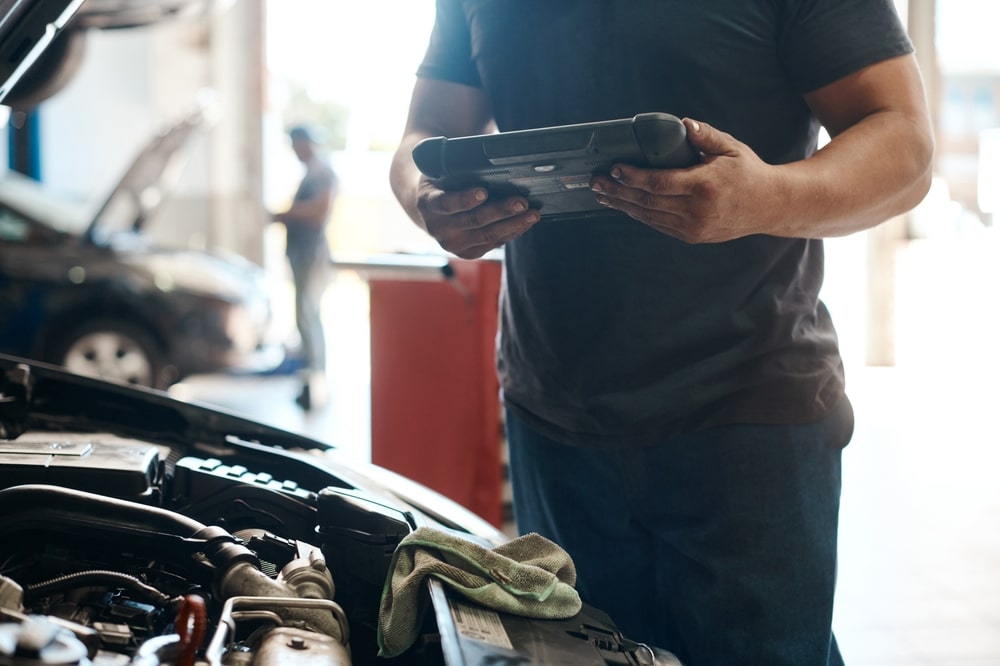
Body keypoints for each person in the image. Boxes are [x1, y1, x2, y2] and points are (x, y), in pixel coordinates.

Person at [389, 2, 933, 665]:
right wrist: (426, 197)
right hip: (554, 420)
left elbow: (903, 141)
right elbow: (427, 131)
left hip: (746, 416)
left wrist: (765, 198)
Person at [272, 125, 337, 410]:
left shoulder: (322, 172)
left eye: (296, 143)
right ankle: (311, 379)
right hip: (301, 254)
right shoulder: (310, 172)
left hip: (311, 255)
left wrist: (284, 214)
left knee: (308, 317)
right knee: (304, 317)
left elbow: (319, 211)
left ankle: (316, 380)